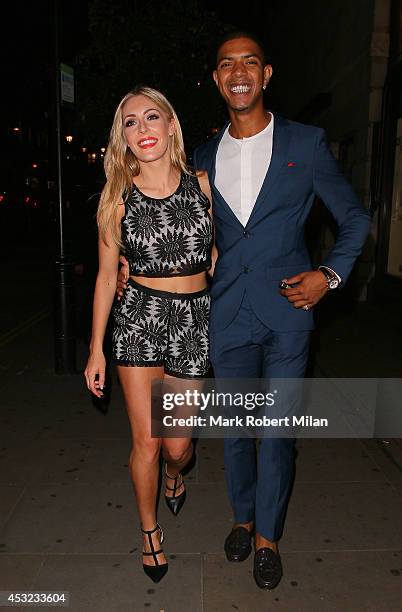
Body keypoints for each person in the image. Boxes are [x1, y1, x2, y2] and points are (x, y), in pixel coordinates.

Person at [118, 31, 371, 590]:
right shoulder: (201, 159)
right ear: (216, 79)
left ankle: (267, 539)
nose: (238, 71)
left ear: (266, 74)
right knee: (234, 429)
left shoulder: (306, 143)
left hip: (287, 313)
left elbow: (355, 218)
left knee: (277, 431)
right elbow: (175, 228)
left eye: (249, 62)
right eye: (227, 64)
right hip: (224, 313)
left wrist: (330, 275)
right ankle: (242, 517)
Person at [84, 85, 215, 583]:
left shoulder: (202, 185)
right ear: (122, 137)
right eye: (130, 122)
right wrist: (96, 348)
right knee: (147, 440)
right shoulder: (116, 197)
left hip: (192, 323)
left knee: (178, 447)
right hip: (139, 317)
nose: (142, 129)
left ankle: (174, 476)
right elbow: (103, 276)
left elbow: (216, 254)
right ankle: (149, 531)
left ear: (170, 126)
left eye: (151, 117)